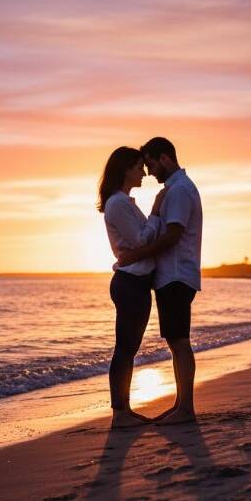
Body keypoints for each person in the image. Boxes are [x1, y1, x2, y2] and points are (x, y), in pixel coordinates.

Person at [118, 137, 202, 425]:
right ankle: (182, 404)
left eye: (151, 164)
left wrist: (136, 255)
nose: (149, 172)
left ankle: (186, 409)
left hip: (176, 275)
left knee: (179, 341)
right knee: (176, 341)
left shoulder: (178, 191)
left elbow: (173, 236)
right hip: (174, 276)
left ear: (165, 158)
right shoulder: (176, 189)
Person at [98, 147, 167, 429]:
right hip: (130, 283)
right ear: (126, 169)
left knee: (129, 348)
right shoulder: (118, 203)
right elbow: (140, 240)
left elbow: (142, 241)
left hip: (136, 282)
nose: (143, 173)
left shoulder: (124, 202)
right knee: (125, 349)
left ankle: (124, 410)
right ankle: (120, 413)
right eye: (139, 167)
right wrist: (156, 212)